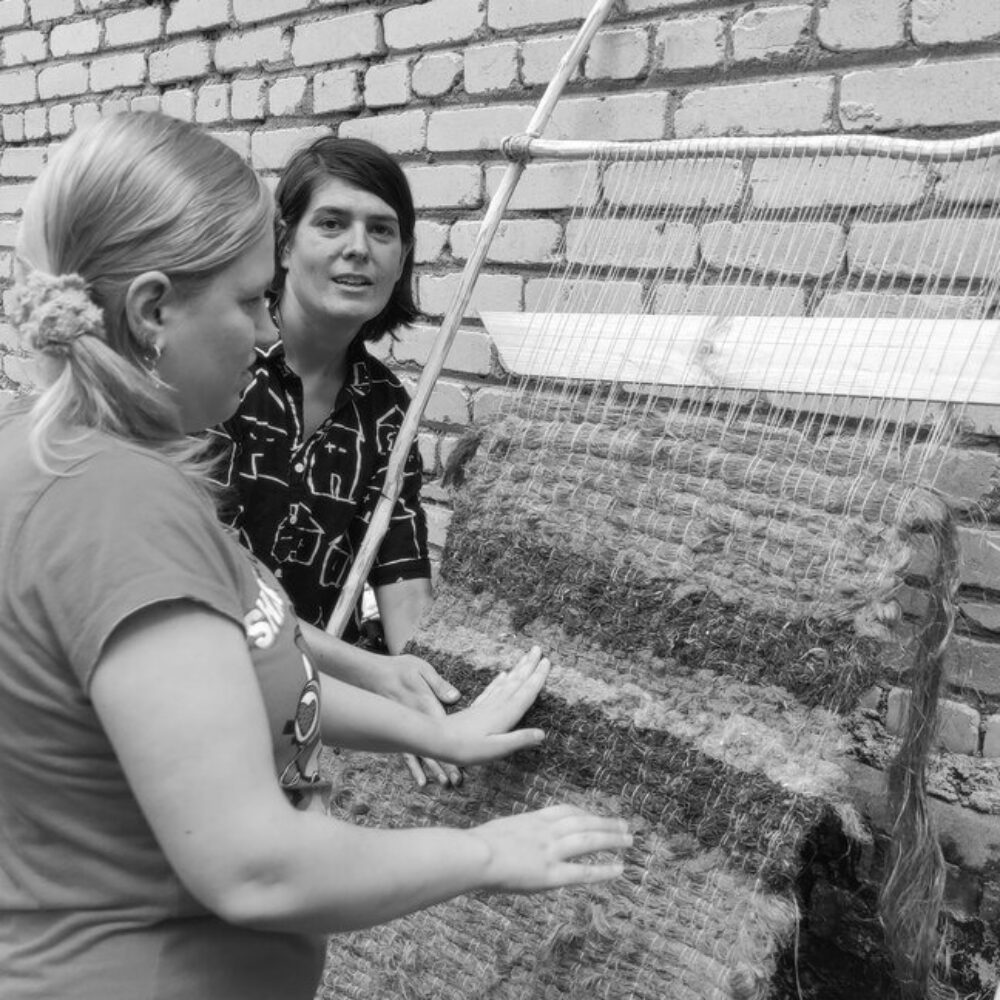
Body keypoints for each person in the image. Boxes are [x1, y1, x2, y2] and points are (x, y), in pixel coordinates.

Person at [0, 112, 630, 1000]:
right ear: (151, 310)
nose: (264, 331)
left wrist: (429, 724)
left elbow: (251, 661)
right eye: (250, 299)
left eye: (383, 231)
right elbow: (257, 869)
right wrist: (488, 851)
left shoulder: (79, 458)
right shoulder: (119, 506)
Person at [212, 136, 456, 786]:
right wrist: (380, 676)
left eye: (383, 230)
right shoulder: (219, 369)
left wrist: (427, 691)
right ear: (284, 245)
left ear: (403, 258)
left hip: (305, 708)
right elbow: (222, 582)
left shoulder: (385, 408)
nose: (359, 247)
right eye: (332, 223)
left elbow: (401, 572)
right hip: (201, 682)